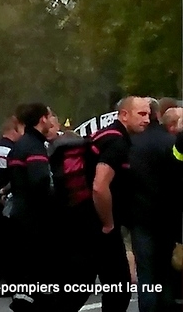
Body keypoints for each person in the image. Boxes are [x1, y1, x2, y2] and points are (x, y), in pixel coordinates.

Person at [87, 96, 150, 312]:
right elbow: (99, 186)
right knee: (119, 288)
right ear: (124, 115)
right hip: (99, 225)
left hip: (88, 220)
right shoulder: (116, 142)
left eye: (149, 114)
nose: (147, 119)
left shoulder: (110, 137)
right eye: (141, 114)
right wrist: (108, 223)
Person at [128, 98, 177, 312]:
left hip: (141, 217)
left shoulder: (132, 144)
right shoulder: (171, 142)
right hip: (169, 217)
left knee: (147, 276)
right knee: (166, 272)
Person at [6, 103, 56, 312]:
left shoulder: (19, 145)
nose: (53, 120)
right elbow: (40, 180)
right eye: (51, 115)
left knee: (25, 278)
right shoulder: (34, 146)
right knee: (38, 282)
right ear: (42, 119)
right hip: (35, 220)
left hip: (20, 215)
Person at [0, 116, 23, 294]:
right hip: (7, 200)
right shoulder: (13, 151)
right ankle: (11, 282)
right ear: (14, 131)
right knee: (11, 243)